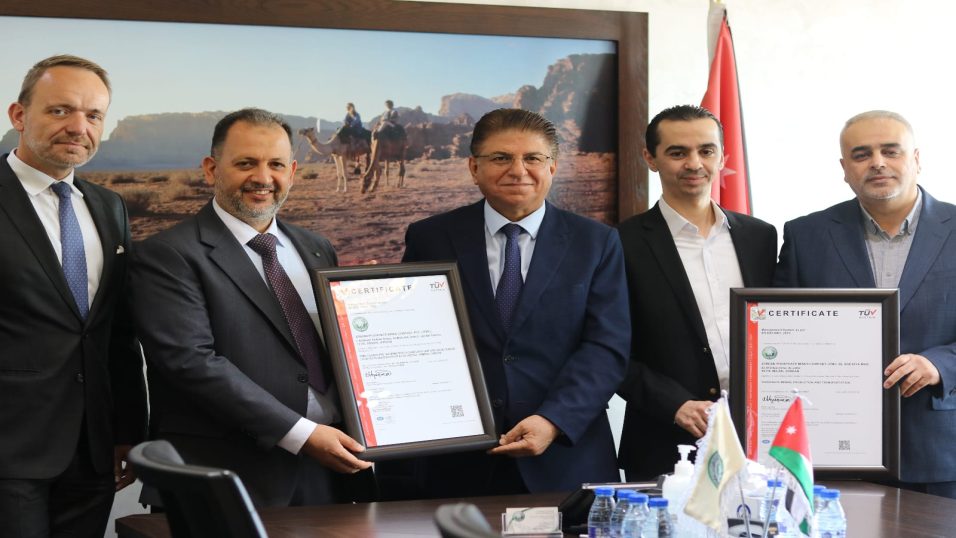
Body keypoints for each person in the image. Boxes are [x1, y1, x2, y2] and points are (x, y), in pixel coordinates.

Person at [376, 108, 630, 498]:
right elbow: (411, 336)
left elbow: (606, 348)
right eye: (501, 158)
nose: (518, 170)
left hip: (564, 458)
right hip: (456, 460)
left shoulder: (596, 242)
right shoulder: (431, 237)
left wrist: (553, 420)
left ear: (552, 166)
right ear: (474, 167)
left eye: (533, 158)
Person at [130, 108, 375, 507]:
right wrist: (302, 435)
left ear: (292, 172)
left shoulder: (317, 248)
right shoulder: (168, 255)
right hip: (223, 480)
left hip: (327, 473)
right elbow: (191, 362)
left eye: (276, 164)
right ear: (211, 169)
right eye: (246, 163)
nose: (263, 178)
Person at [0, 55, 147, 537]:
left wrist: (127, 430)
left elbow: (117, 331)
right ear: (19, 116)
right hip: (8, 452)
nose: (78, 127)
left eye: (93, 115)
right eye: (60, 110)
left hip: (91, 450)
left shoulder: (109, 207)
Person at [775, 110, 956, 499]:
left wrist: (940, 365)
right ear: (845, 169)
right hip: (833, 450)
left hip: (939, 451)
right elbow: (781, 333)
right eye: (861, 154)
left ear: (917, 159)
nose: (877, 162)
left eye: (891, 151)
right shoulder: (806, 235)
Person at [616, 105, 777, 481]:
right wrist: (674, 404)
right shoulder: (619, 243)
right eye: (677, 152)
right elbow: (607, 349)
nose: (694, 163)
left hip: (759, 438)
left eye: (706, 151)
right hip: (666, 440)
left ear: (723, 158)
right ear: (650, 158)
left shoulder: (761, 237)